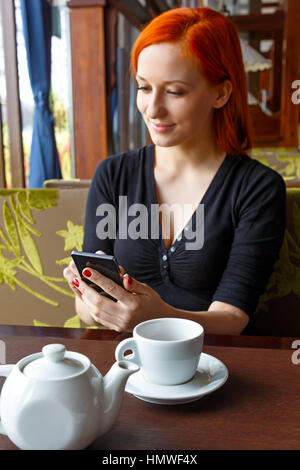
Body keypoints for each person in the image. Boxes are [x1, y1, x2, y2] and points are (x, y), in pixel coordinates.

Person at [63, 7, 286, 335]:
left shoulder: (258, 188)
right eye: (144, 87)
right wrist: (90, 298)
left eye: (175, 91)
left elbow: (232, 318)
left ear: (221, 93)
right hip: (125, 362)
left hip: (212, 365)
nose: (153, 109)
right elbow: (86, 306)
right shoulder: (113, 175)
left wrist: (159, 317)